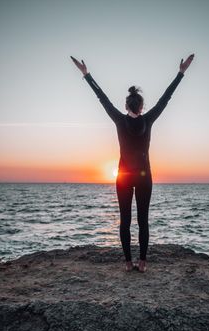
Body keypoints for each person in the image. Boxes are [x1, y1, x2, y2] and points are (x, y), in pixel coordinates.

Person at [71, 54, 194, 272]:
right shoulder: (148, 119)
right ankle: (143, 262)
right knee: (143, 220)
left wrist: (86, 74)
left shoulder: (119, 119)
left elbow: (102, 98)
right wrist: (181, 73)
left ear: (126, 104)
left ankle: (128, 263)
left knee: (125, 220)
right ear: (142, 106)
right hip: (145, 177)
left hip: (123, 177)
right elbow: (167, 97)